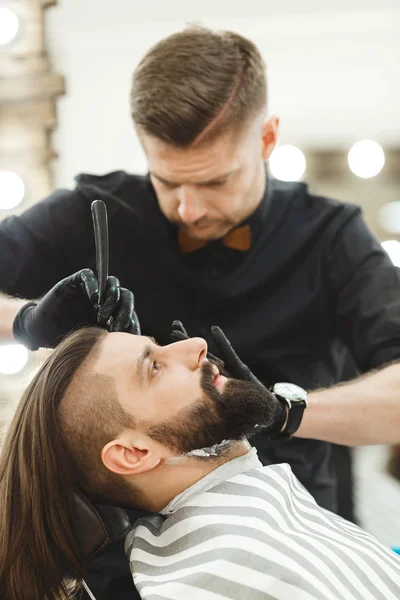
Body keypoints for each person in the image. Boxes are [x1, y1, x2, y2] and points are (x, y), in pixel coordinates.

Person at [1, 24, 400, 599]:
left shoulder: (330, 239)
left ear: (266, 140)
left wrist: (283, 412)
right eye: (167, 182)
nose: (188, 209)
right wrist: (24, 321)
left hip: (301, 538)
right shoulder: (92, 215)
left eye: (214, 181)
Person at [1, 327, 400, 600]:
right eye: (154, 366)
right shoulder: (217, 579)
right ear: (135, 453)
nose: (195, 345)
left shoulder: (244, 530)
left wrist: (282, 413)